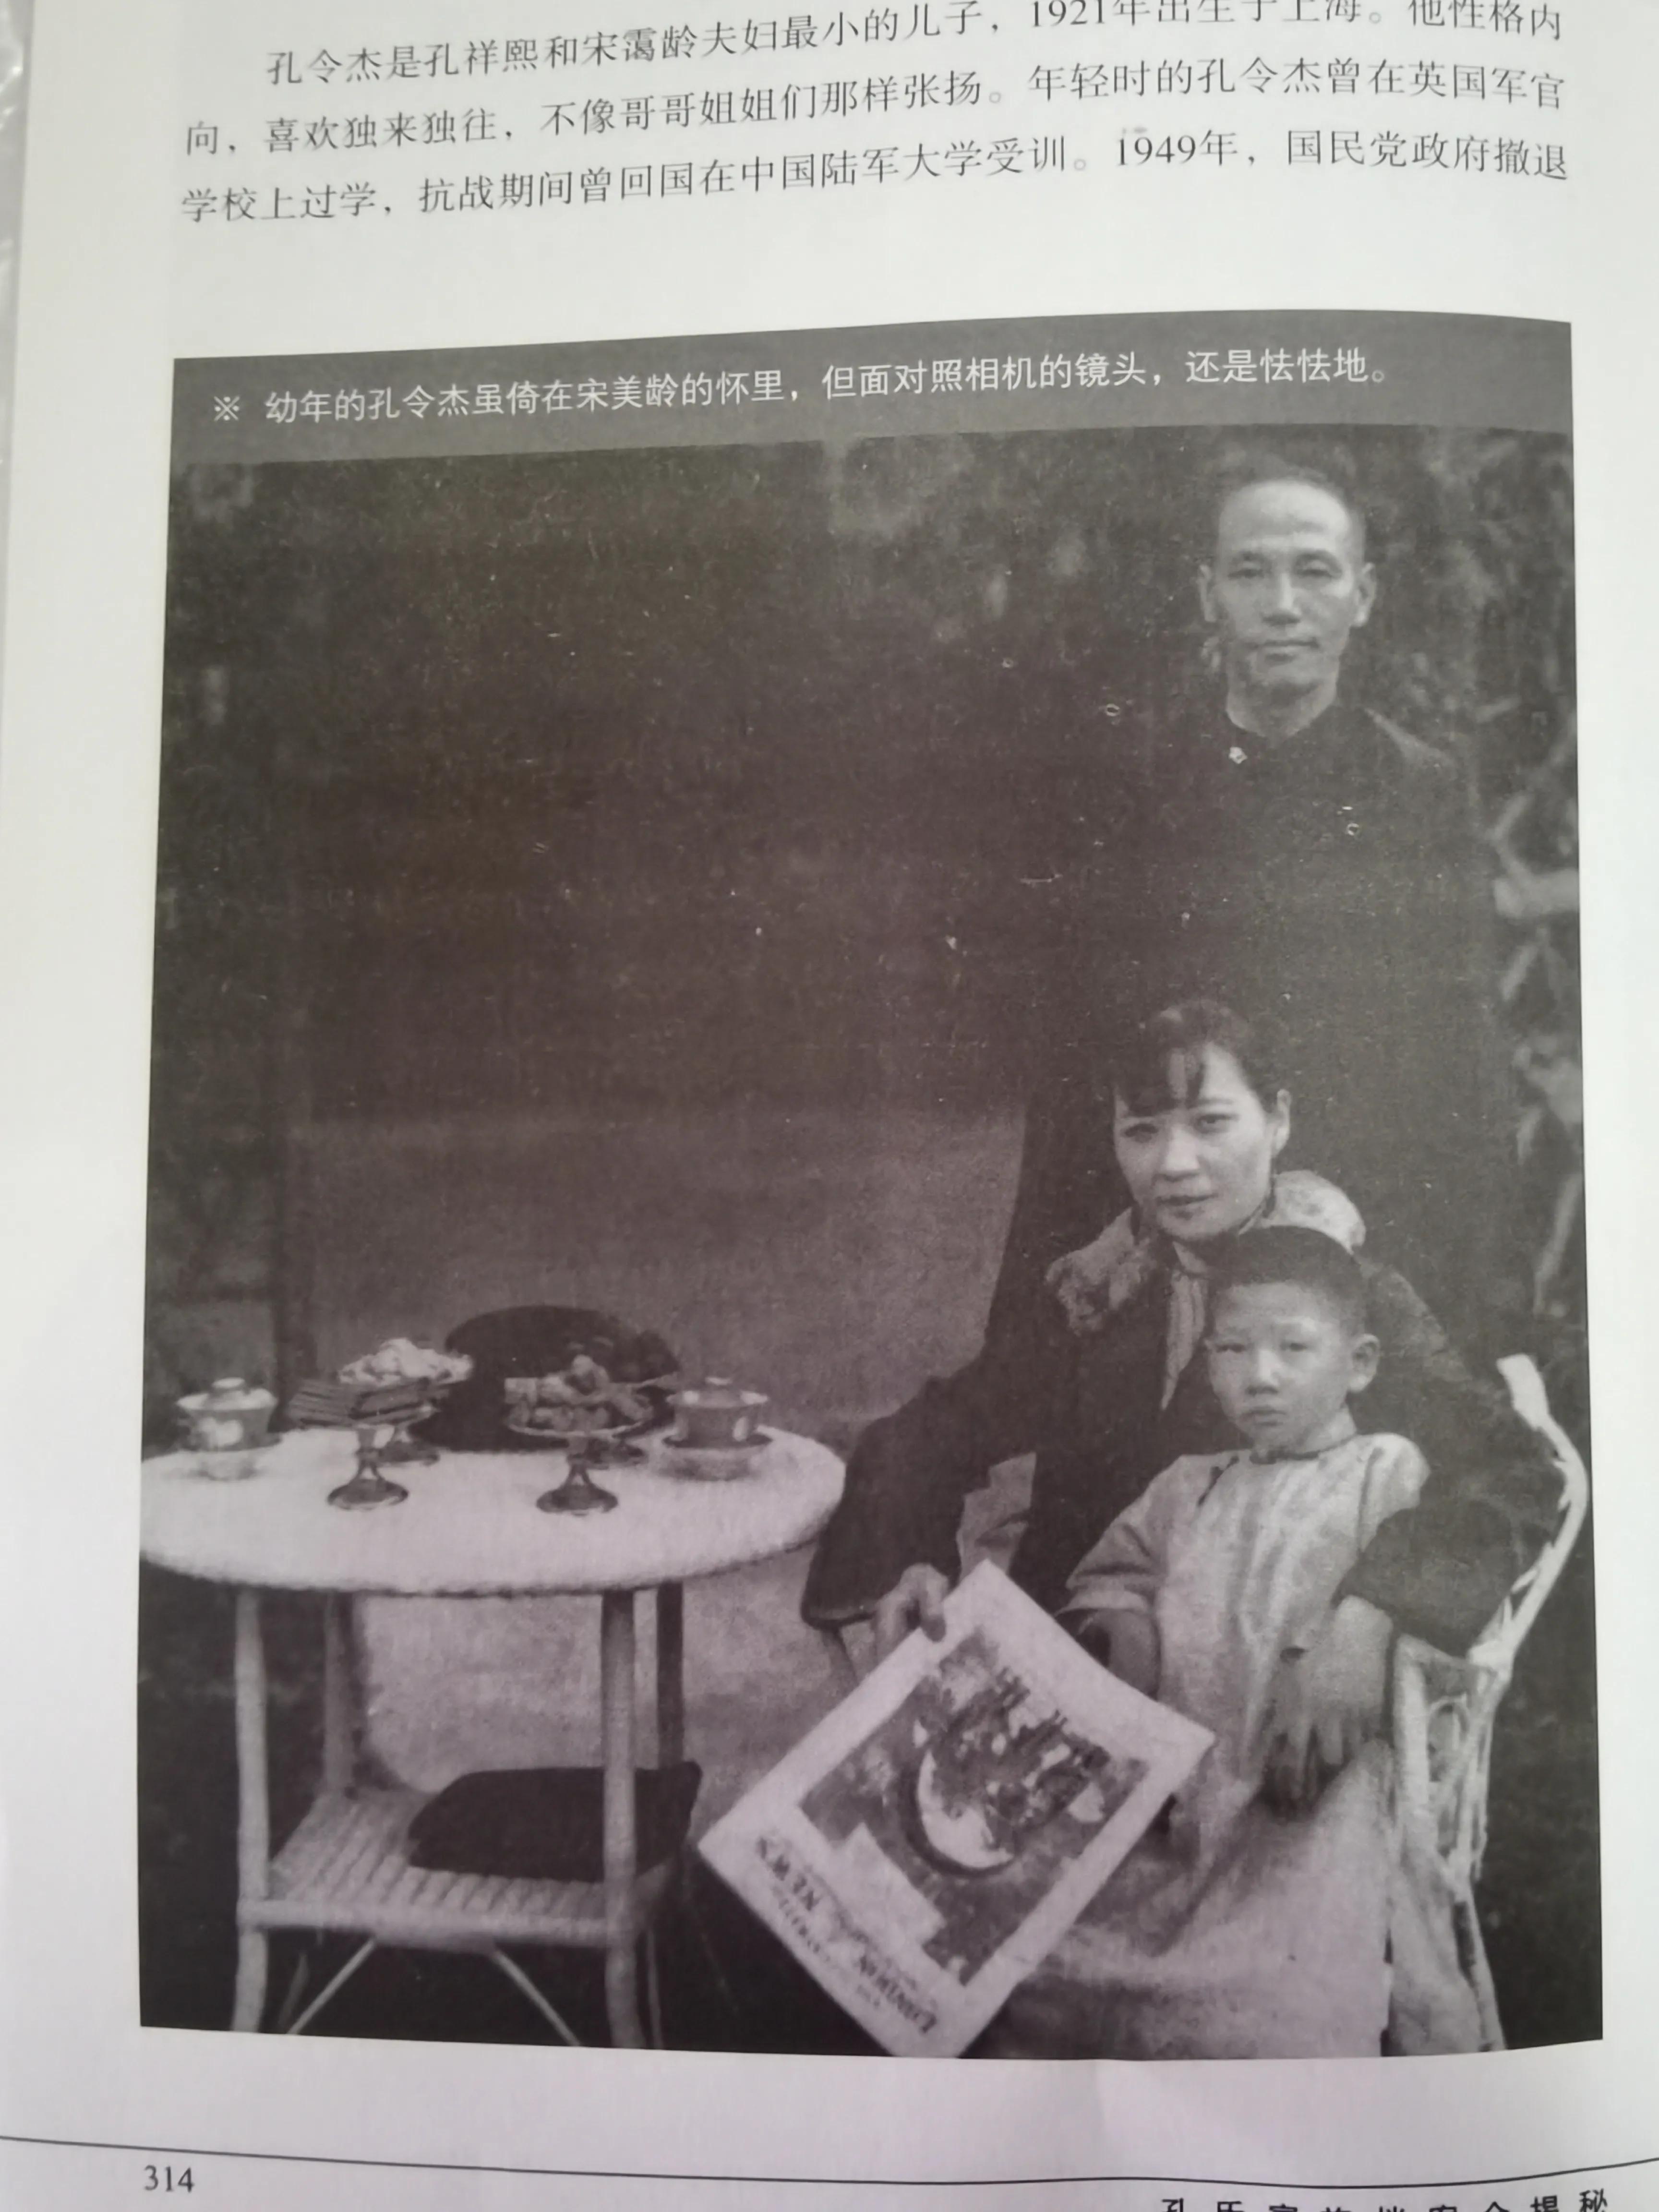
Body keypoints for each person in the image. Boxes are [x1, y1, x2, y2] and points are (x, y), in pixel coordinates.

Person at [803, 1000, 1560, 1802]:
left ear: (1278, 1121)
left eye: (1210, 1123)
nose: (1173, 1164)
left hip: (1263, 1722)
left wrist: (1368, 1619)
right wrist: (914, 1563)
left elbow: (1513, 1472)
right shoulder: (1105, 1294)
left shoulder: (1344, 1302)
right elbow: (932, 1431)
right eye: (1142, 1131)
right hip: (1086, 1687)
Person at [980, 1226, 1482, 2061]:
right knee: (1043, 1978)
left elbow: (1425, 1582)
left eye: (1294, 1348)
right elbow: (1114, 1581)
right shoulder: (1189, 1485)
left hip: (1307, 1797)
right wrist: (1128, 1632)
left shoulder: (1384, 1471)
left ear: (1359, 1363)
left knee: (1262, 2001)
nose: (1262, 1376)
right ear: (1208, 1365)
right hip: (1182, 1788)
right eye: (1234, 1350)